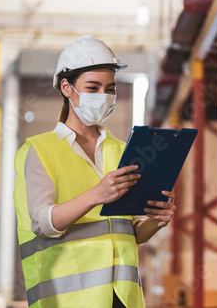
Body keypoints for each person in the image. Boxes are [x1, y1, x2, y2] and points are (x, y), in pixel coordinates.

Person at [13, 35, 176, 308]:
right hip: (69, 299)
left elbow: (128, 234)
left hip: (122, 297)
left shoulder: (124, 150)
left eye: (109, 88)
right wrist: (97, 195)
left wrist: (155, 221)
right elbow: (42, 223)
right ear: (67, 87)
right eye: (92, 87)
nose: (103, 96)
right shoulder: (39, 150)